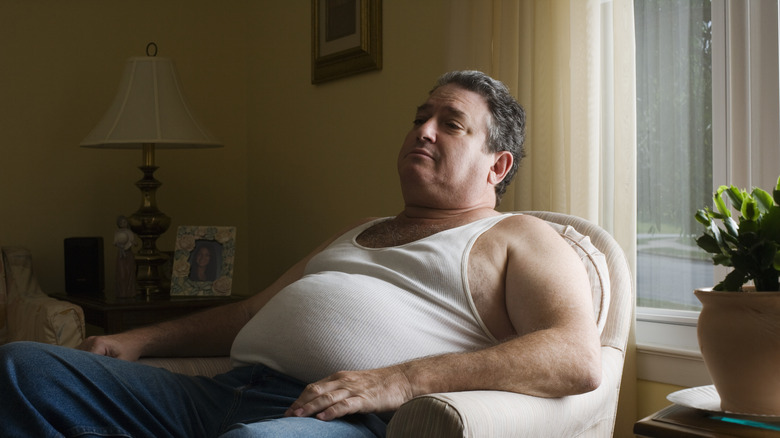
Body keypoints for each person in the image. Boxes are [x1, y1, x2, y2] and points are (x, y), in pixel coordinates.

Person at [0, 71, 601, 437]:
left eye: (451, 124)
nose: (423, 130)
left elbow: (576, 356)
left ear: (498, 165)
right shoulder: (362, 229)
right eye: (421, 118)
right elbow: (249, 312)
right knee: (20, 368)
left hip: (338, 420)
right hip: (221, 391)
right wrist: (139, 340)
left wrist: (403, 379)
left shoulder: (520, 236)